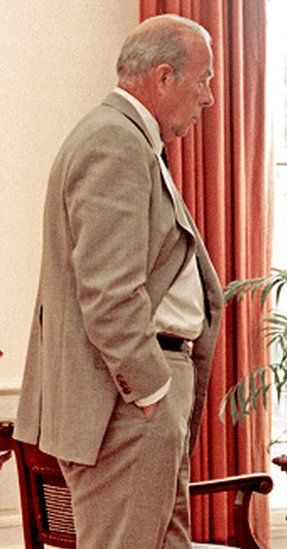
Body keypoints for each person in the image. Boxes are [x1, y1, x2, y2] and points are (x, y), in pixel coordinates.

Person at [14, 14, 221, 548]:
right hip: (127, 406)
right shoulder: (115, 142)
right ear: (163, 77)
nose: (209, 98)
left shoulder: (129, 140)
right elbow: (108, 293)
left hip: (137, 404)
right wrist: (151, 392)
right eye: (203, 80)